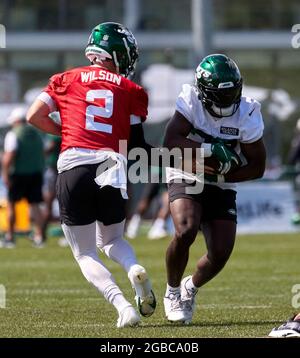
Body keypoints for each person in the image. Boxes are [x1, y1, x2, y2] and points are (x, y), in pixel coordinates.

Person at [26, 22, 156, 327]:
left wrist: (65, 131)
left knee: (85, 253)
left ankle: (123, 306)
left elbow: (34, 115)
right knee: (112, 239)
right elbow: (136, 145)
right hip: (112, 165)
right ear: (117, 53)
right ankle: (134, 267)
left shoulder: (65, 78)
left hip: (74, 164)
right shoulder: (131, 89)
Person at [163, 54, 266, 323]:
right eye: (220, 95)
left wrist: (226, 171)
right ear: (203, 91)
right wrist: (209, 150)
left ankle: (190, 287)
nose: (227, 100)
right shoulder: (190, 100)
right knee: (185, 230)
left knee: (220, 252)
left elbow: (258, 166)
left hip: (221, 181)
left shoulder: (248, 112)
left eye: (232, 93)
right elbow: (171, 141)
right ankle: (172, 291)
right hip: (186, 169)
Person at [1, 106, 45, 248]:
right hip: (36, 173)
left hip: (18, 174)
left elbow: (9, 156)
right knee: (36, 205)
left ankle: (10, 237)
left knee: (12, 205)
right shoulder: (37, 133)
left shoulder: (13, 134)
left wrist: (5, 174)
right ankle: (39, 237)